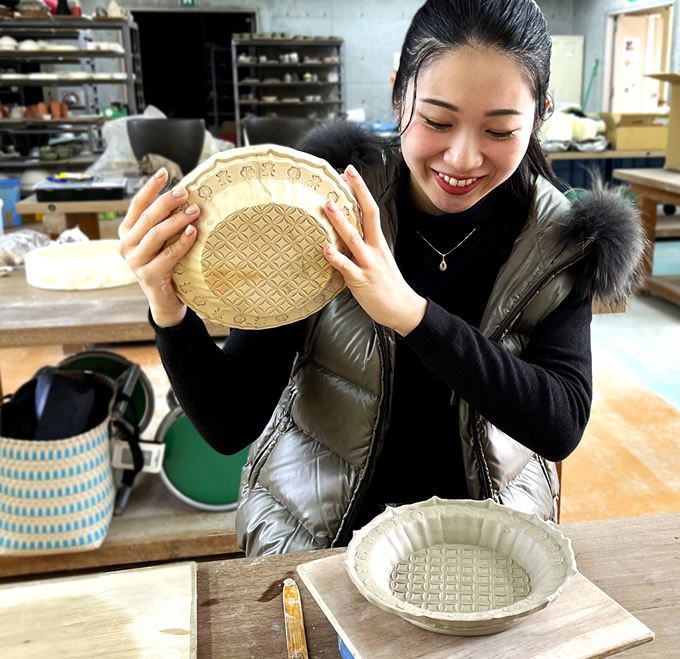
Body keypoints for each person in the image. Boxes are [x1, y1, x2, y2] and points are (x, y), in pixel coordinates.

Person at [118, 0, 643, 557]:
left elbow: (559, 424)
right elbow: (230, 422)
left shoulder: (560, 239)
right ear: (400, 95)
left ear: (539, 117)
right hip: (322, 539)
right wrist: (168, 308)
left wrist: (412, 315)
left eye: (500, 130)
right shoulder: (322, 210)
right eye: (437, 121)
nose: (462, 157)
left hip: (485, 544)